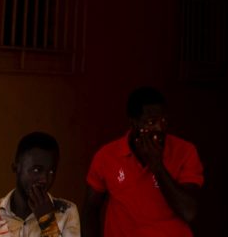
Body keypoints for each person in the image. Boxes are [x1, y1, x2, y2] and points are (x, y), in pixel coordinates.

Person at [81, 88, 202, 237]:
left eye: (163, 121)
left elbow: (188, 212)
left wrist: (157, 166)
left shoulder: (185, 151)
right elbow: (90, 210)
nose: (160, 128)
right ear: (133, 123)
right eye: (151, 122)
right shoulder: (107, 156)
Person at [0, 131, 80, 237]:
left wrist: (48, 222)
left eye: (51, 171)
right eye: (36, 170)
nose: (44, 179)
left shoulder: (66, 213)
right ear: (16, 168)